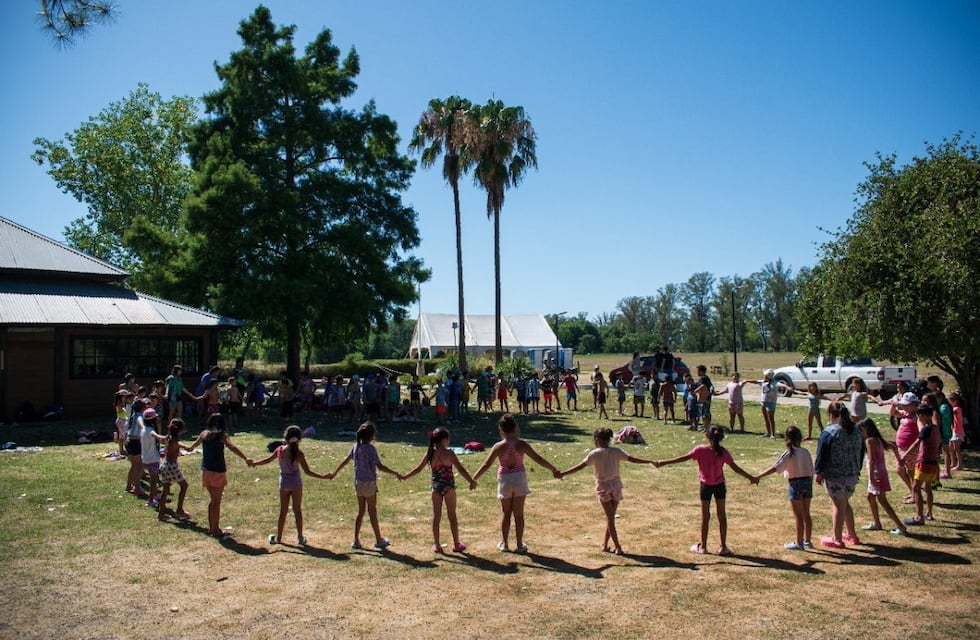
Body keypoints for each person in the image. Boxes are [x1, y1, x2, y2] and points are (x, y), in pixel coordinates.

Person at [655, 425, 757, 555]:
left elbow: (682, 458)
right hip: (719, 486)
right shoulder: (723, 452)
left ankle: (703, 546)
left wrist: (663, 462)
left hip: (706, 486)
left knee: (705, 516)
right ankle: (723, 546)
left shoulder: (700, 450)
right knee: (722, 515)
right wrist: (751, 478)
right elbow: (736, 469)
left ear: (707, 436)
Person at [472, 414, 561, 553]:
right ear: (515, 428)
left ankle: (505, 543)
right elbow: (537, 458)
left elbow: (486, 464)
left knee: (506, 513)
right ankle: (519, 544)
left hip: (505, 480)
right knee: (519, 515)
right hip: (519, 479)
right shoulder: (522, 444)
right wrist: (553, 469)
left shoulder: (498, 446)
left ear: (501, 429)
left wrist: (474, 478)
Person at [559, 426, 654, 555]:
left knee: (610, 519)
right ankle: (605, 544)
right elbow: (633, 459)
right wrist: (649, 461)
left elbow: (579, 467)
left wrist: (563, 473)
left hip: (603, 488)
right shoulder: (616, 451)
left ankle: (618, 547)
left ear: (596, 440)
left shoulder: (594, 454)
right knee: (611, 518)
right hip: (616, 487)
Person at [400, 427, 477, 553]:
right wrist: (471, 481)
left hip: (436, 488)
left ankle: (437, 545)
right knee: (452, 516)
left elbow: (418, 469)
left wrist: (405, 476)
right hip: (449, 488)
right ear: (444, 440)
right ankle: (457, 544)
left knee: (436, 517)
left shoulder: (430, 453)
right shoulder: (450, 453)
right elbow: (461, 469)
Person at [251, 425, 329, 546]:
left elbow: (267, 460)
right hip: (296, 484)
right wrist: (323, 476)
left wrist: (255, 463)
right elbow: (308, 472)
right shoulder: (299, 453)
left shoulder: (280, 450)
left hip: (284, 484)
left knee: (283, 511)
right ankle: (300, 537)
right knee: (297, 511)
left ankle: (279, 538)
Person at [329, 422, 400, 550]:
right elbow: (380, 466)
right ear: (372, 436)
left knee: (361, 511)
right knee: (372, 511)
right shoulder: (370, 449)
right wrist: (395, 473)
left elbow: (345, 460)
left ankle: (356, 540)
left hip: (358, 483)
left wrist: (335, 472)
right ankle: (379, 539)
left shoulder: (356, 446)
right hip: (369, 483)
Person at [186, 413, 252, 538]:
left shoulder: (204, 434)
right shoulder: (222, 435)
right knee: (216, 502)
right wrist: (245, 458)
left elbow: (192, 447)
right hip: (218, 471)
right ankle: (215, 529)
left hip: (206, 471)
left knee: (213, 501)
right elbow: (231, 446)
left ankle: (212, 527)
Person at [752, 426, 814, 550]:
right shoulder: (805, 452)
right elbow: (811, 470)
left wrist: (758, 476)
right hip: (807, 482)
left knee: (798, 516)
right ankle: (807, 541)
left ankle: (799, 543)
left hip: (795, 484)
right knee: (806, 513)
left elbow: (775, 468)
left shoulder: (789, 453)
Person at [814, 401, 865, 549]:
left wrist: (819, 472)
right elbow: (861, 452)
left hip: (835, 475)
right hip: (852, 474)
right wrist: (857, 469)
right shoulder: (856, 430)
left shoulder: (830, 431)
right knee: (844, 503)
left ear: (831, 415)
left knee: (837, 504)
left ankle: (837, 539)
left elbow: (822, 453)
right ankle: (852, 535)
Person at [857, 418, 908, 536]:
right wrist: (899, 460)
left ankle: (900, 526)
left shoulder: (869, 441)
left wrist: (871, 477)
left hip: (876, 473)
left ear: (865, 429)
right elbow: (894, 447)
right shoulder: (879, 440)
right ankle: (876, 523)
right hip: (881, 472)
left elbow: (872, 460)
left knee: (882, 500)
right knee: (870, 497)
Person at [901, 402, 942, 527]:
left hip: (924, 462)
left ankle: (919, 517)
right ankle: (929, 513)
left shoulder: (926, 429)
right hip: (934, 462)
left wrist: (904, 455)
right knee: (928, 488)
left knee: (915, 487)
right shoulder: (935, 428)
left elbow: (916, 443)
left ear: (921, 415)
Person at [157, 418, 192, 522]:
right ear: (180, 430)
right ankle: (180, 510)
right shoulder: (176, 441)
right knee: (184, 485)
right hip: (172, 466)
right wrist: (191, 446)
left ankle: (161, 514)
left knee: (166, 490)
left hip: (164, 465)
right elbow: (186, 447)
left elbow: (160, 437)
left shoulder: (167, 438)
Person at [891, 392, 919, 502]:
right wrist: (894, 405)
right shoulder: (906, 413)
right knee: (901, 470)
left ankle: (915, 494)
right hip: (902, 447)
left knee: (910, 471)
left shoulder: (916, 416)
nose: (904, 406)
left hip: (910, 447)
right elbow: (894, 413)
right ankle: (913, 491)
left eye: (907, 405)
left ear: (914, 404)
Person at [139, 407, 167, 509]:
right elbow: (157, 436)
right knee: (154, 481)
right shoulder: (151, 431)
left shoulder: (143, 430)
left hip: (145, 458)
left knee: (153, 480)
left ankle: (154, 495)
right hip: (153, 459)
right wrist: (166, 437)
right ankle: (151, 500)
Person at [124, 397, 147, 498]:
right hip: (135, 442)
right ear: (143, 408)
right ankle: (137, 487)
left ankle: (128, 486)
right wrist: (145, 429)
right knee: (141, 465)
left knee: (134, 465)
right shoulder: (139, 416)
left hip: (129, 442)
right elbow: (141, 423)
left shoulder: (133, 414)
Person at [757, 370, 779, 439]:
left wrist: (788, 388)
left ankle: (773, 434)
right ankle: (768, 432)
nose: (764, 377)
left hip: (771, 403)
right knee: (766, 418)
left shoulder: (774, 384)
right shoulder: (763, 382)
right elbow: (756, 381)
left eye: (765, 376)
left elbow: (781, 385)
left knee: (771, 419)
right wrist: (747, 381)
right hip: (764, 402)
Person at [948, 391, 965, 471]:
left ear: (955, 401)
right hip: (954, 431)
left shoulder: (957, 409)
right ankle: (953, 462)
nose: (949, 403)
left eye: (950, 401)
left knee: (957, 449)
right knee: (951, 447)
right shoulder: (954, 408)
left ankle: (960, 465)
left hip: (958, 431)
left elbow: (952, 412)